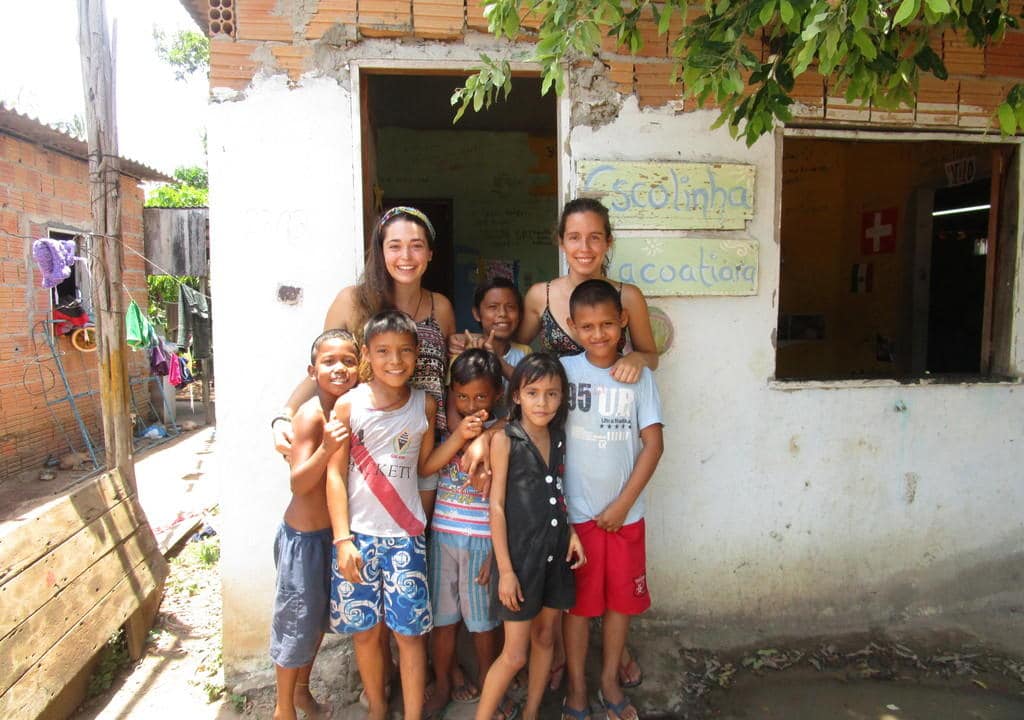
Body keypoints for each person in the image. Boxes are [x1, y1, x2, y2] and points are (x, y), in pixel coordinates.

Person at [327, 310, 485, 720]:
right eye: (383, 351)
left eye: (404, 351)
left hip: (405, 538)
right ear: (367, 355)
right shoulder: (348, 406)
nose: (394, 361)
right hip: (357, 539)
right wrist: (342, 540)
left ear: (418, 356)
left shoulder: (425, 403)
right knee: (366, 634)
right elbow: (335, 476)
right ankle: (378, 709)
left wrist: (462, 438)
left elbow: (425, 465)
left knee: (411, 636)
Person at [272, 206, 455, 520]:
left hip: (423, 454)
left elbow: (451, 378)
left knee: (415, 545)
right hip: (365, 453)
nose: (406, 256)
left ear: (430, 254)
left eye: (416, 245)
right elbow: (323, 369)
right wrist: (283, 418)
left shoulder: (441, 307)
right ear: (380, 251)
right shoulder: (352, 302)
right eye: (394, 246)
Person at [559, 280, 664, 720]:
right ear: (571, 326)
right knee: (580, 608)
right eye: (587, 326)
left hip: (626, 516)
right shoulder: (562, 372)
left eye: (607, 323)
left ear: (623, 321)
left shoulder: (640, 376)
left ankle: (608, 681)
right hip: (576, 518)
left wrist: (623, 505)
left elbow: (653, 446)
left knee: (620, 604)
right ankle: (578, 687)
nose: (598, 334)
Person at [475, 354, 586, 720]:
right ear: (517, 395)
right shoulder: (505, 440)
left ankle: (532, 712)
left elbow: (557, 489)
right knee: (514, 654)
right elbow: (497, 508)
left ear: (562, 398)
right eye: (533, 392)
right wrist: (505, 569)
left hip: (555, 554)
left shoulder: (558, 435)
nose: (543, 402)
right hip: (520, 562)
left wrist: (570, 533)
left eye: (552, 394)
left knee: (545, 639)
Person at [270, 329, 359, 720]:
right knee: (296, 626)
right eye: (328, 362)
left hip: (331, 538)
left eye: (348, 361)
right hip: (303, 539)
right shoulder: (312, 415)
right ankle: (283, 709)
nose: (339, 368)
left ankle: (303, 696)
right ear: (313, 369)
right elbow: (298, 482)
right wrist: (326, 449)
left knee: (316, 623)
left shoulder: (351, 408)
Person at [424, 349, 505, 718]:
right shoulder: (445, 430)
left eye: (481, 397)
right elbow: (429, 465)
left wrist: (495, 553)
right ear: (450, 393)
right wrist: (460, 436)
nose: (472, 405)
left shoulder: (503, 436)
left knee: (483, 623)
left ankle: (491, 687)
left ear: (498, 396)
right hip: (443, 536)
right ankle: (442, 683)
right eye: (463, 396)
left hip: (482, 541)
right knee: (443, 619)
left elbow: (508, 499)